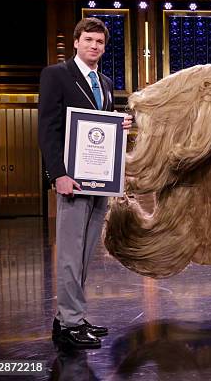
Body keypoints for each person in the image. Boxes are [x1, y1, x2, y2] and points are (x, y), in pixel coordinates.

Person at [38, 17, 132, 349]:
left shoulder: (105, 82)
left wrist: (120, 126)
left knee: (84, 254)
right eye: (89, 40)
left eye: (100, 42)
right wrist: (57, 175)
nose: (94, 46)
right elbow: (47, 129)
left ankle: (70, 318)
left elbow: (101, 126)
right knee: (68, 254)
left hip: (99, 182)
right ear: (76, 41)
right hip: (72, 181)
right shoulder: (56, 75)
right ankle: (70, 322)